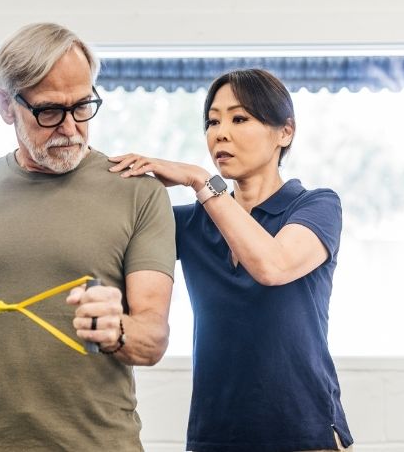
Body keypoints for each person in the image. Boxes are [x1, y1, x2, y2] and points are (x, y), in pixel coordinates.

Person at [0, 22, 176, 451]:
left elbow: (153, 338)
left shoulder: (138, 193)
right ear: (5, 106)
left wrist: (117, 329)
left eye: (82, 106)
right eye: (48, 111)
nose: (70, 127)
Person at [109, 69, 354, 452]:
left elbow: (272, 265)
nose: (220, 132)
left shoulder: (317, 205)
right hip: (215, 436)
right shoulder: (189, 223)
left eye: (239, 118)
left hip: (307, 434)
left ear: (284, 132)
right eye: (212, 121)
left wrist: (200, 180)